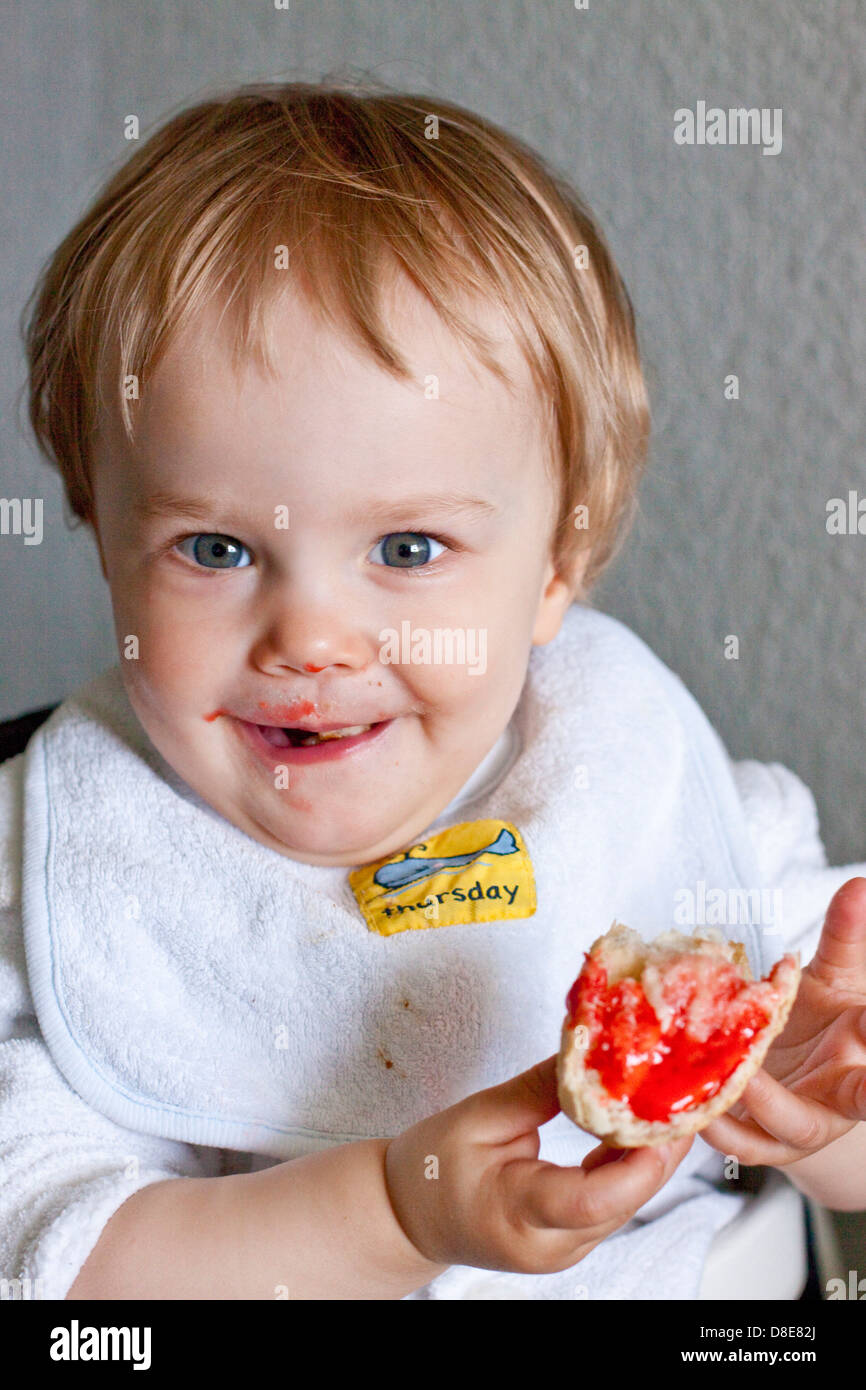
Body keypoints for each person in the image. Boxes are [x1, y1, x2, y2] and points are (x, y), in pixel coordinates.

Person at [2, 81, 864, 1301]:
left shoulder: (642, 795)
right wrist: (395, 1212)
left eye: (405, 549)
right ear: (102, 537)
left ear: (557, 565)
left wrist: (823, 1121)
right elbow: (56, 1275)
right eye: (214, 548)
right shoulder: (65, 869)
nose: (309, 636)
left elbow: (839, 1149)